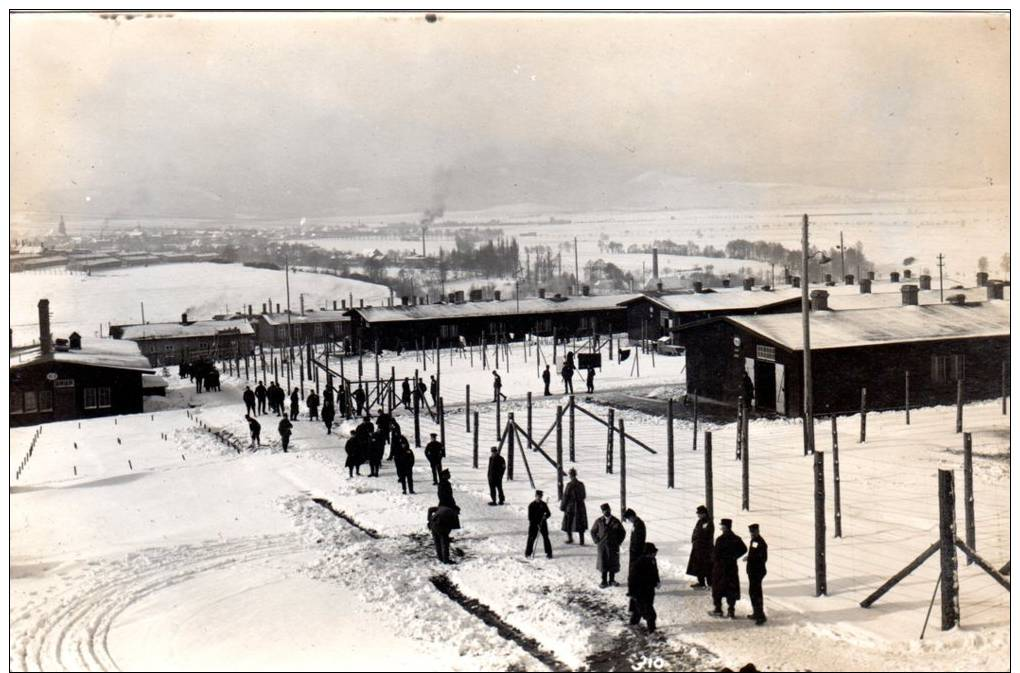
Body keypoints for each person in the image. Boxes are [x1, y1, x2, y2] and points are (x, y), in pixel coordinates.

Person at [711, 518, 748, 619]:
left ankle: (718, 609)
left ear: (725, 527)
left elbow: (715, 554)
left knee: (717, 588)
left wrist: (714, 561)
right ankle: (731, 610)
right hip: (731, 567)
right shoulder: (736, 538)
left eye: (722, 526)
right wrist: (734, 557)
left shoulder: (720, 539)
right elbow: (744, 549)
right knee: (731, 589)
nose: (721, 527)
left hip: (720, 568)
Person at [591, 503, 626, 588]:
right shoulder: (599, 521)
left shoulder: (615, 521)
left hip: (613, 546)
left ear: (610, 510)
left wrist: (618, 542)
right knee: (603, 563)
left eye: (607, 510)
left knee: (612, 563)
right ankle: (604, 581)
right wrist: (596, 541)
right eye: (604, 510)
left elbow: (622, 532)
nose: (606, 512)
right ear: (602, 512)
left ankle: (612, 580)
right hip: (602, 547)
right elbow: (593, 531)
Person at [628, 543, 660, 633]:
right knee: (650, 613)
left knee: (639, 609)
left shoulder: (652, 560)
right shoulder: (638, 564)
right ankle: (652, 631)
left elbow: (655, 572)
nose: (655, 554)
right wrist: (632, 592)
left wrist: (657, 581)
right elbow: (631, 579)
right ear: (648, 553)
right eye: (653, 552)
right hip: (640, 592)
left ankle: (633, 623)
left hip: (649, 590)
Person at [687, 505, 715, 589]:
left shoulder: (708, 522)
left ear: (704, 513)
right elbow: (696, 531)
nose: (698, 515)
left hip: (705, 549)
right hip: (698, 548)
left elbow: (705, 534)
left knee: (707, 566)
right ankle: (701, 582)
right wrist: (694, 541)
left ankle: (710, 583)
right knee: (698, 566)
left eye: (699, 513)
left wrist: (698, 541)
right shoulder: (700, 521)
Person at [746, 523, 768, 625]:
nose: (752, 534)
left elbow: (762, 558)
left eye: (753, 532)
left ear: (758, 531)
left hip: (757, 571)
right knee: (753, 592)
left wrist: (750, 558)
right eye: (751, 532)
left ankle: (760, 615)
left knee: (756, 593)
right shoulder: (754, 541)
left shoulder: (760, 542)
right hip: (753, 571)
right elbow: (753, 554)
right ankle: (756, 612)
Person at [560, 468, 588, 545]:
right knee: (580, 524)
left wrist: (562, 506)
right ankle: (582, 541)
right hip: (580, 506)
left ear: (570, 475)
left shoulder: (569, 485)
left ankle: (570, 539)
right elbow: (584, 495)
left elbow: (565, 496)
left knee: (568, 522)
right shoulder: (581, 484)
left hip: (571, 506)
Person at [526, 490, 554, 559]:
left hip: (542, 523)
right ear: (535, 496)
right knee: (531, 538)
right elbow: (530, 517)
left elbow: (548, 513)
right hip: (533, 524)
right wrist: (536, 524)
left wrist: (545, 516)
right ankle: (528, 553)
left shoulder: (543, 504)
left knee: (546, 537)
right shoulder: (531, 505)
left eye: (540, 497)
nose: (539, 498)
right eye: (537, 496)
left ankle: (549, 553)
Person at [623, 508, 646, 580]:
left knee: (636, 567)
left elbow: (639, 539)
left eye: (629, 519)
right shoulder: (636, 523)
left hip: (637, 550)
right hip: (634, 549)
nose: (629, 521)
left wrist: (634, 549)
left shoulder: (639, 524)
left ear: (632, 516)